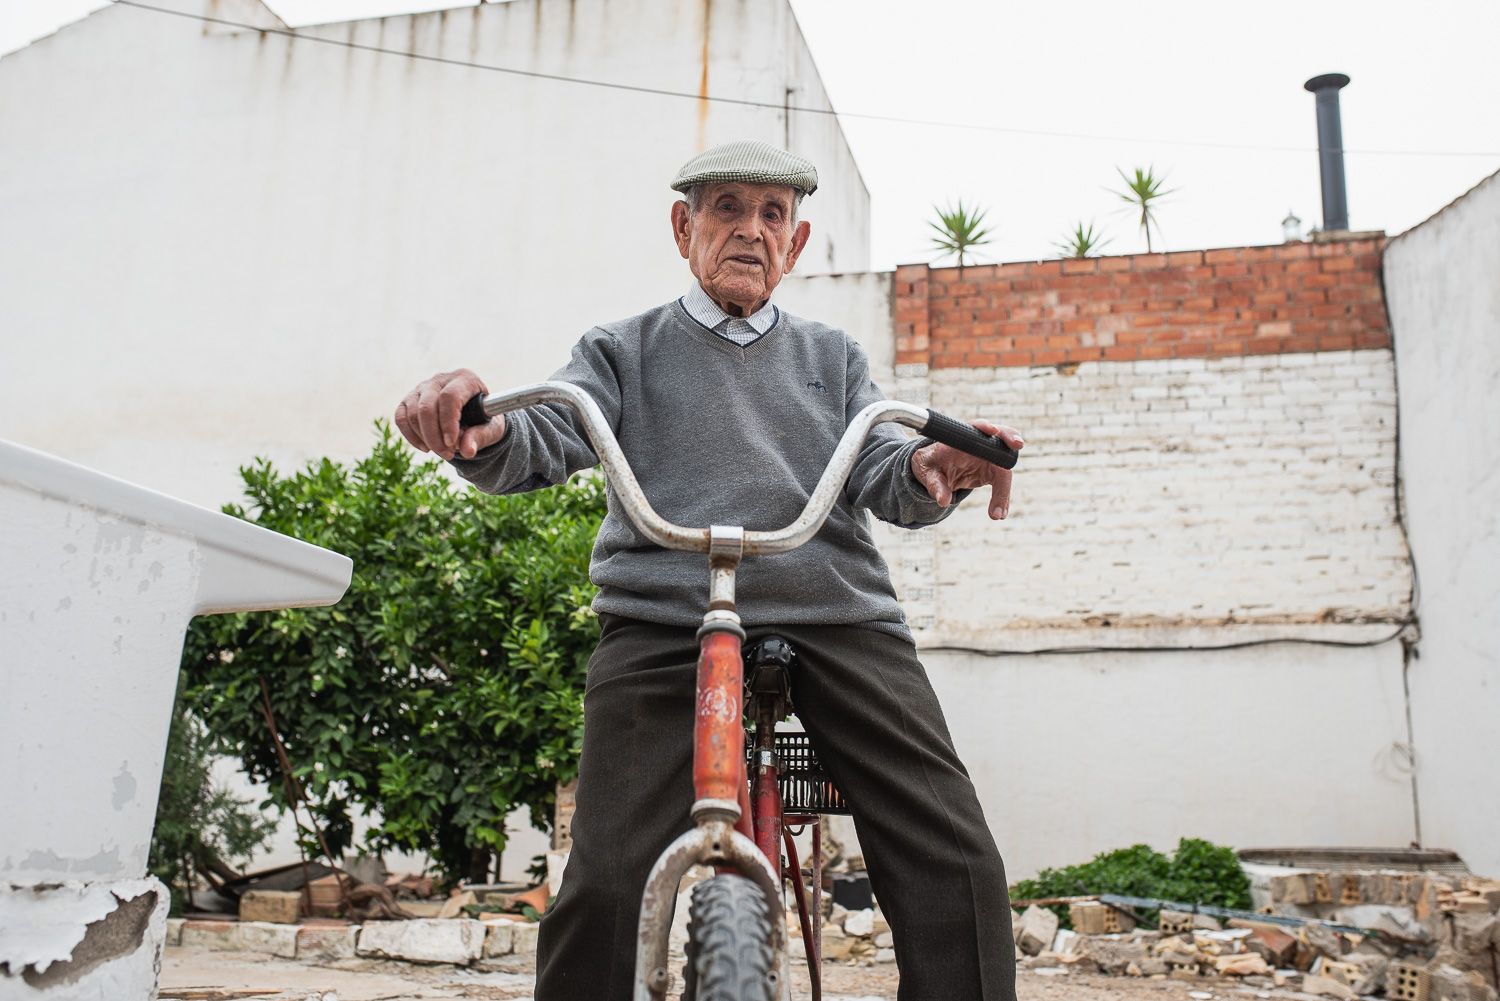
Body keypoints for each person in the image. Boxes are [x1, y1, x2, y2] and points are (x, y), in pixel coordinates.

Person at [394, 139, 1023, 1000]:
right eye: (727, 207)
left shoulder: (833, 360)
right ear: (685, 227)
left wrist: (933, 469)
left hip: (835, 613)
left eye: (774, 215)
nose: (750, 230)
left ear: (795, 246)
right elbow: (543, 434)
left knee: (956, 857)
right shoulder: (621, 350)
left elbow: (885, 463)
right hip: (664, 616)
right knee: (607, 878)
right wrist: (478, 426)